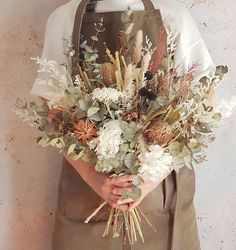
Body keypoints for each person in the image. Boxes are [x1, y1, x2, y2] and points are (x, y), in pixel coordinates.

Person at [30, 0, 216, 249]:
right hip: (87, 199)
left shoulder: (175, 17)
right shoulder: (63, 19)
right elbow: (53, 112)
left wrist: (151, 178)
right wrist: (94, 178)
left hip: (161, 201)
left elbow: (202, 103)